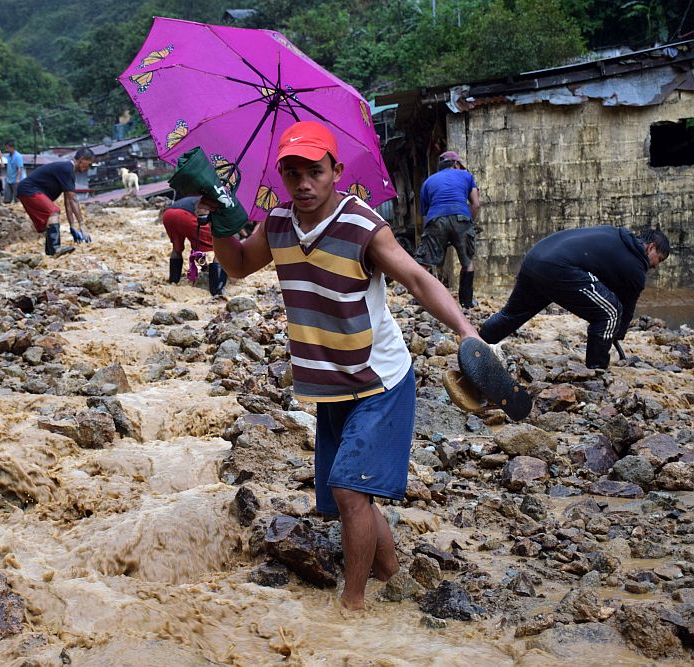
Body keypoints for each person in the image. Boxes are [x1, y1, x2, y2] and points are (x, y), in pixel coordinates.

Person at [206, 120, 481, 610]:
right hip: (329, 381)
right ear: (281, 177)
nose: (303, 184)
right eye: (291, 173)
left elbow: (418, 280)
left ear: (336, 171)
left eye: (314, 171)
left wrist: (467, 333)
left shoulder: (363, 226)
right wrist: (221, 222)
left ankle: (351, 609)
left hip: (379, 379)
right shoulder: (276, 225)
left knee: (349, 492)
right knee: (351, 495)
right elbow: (238, 266)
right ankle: (391, 573)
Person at [479, 225, 669, 369]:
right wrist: (617, 333)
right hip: (559, 268)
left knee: (513, 313)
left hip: (535, 259)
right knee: (611, 313)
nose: (655, 266)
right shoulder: (636, 268)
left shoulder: (616, 235)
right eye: (658, 259)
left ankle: (476, 343)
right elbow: (625, 309)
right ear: (650, 247)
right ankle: (596, 371)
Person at [415, 151, 480, 308]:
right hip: (461, 218)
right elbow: (476, 204)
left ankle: (420, 299)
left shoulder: (428, 182)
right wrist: (470, 223)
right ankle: (466, 302)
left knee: (425, 262)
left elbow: (425, 212)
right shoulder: (466, 176)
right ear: (456, 164)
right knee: (467, 262)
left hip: (436, 219)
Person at [16, 147, 94, 257]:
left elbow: (68, 201)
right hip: (29, 189)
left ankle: (50, 253)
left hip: (28, 190)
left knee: (51, 216)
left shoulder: (69, 172)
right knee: (53, 211)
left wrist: (72, 226)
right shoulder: (67, 169)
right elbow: (73, 200)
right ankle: (55, 249)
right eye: (89, 164)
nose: (88, 168)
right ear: (82, 159)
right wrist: (81, 224)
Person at [161, 196, 227, 295]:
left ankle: (173, 281)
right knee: (220, 246)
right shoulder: (223, 206)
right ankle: (216, 291)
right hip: (186, 215)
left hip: (168, 214)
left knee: (177, 249)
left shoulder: (206, 197)